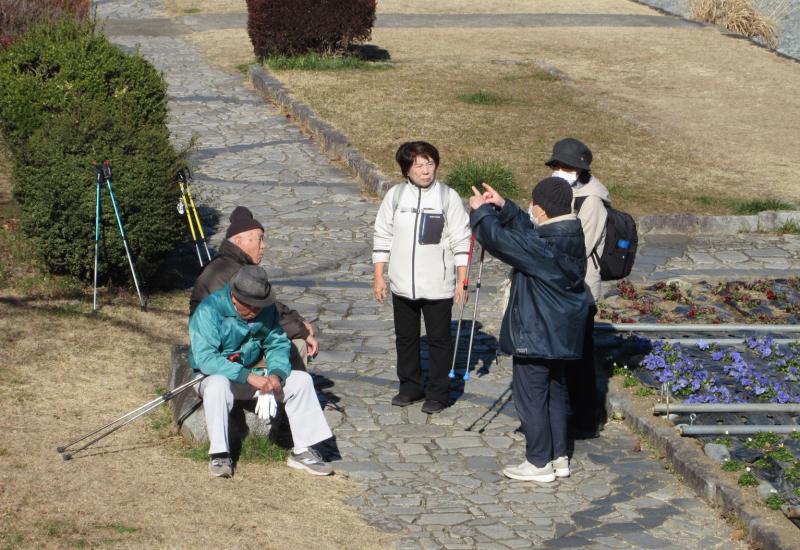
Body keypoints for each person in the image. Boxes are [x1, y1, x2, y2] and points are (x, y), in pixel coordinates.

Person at [469, 178, 589, 482]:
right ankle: (558, 456)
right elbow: (529, 234)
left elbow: (499, 241)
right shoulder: (569, 233)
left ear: (542, 210)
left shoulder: (543, 245)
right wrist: (504, 206)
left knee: (530, 396)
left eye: (532, 205)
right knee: (554, 392)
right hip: (559, 332)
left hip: (536, 331)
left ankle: (538, 462)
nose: (530, 209)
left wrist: (482, 212)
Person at [189, 265, 334, 478]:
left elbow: (278, 343)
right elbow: (206, 359)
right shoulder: (208, 310)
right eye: (250, 305)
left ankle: (302, 451)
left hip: (255, 373)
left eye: (259, 305)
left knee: (302, 381)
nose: (255, 311)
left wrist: (276, 374)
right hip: (214, 375)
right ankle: (220, 454)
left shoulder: (267, 310)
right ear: (235, 297)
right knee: (218, 385)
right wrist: (247, 376)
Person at [372, 141, 471, 414]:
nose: (426, 171)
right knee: (405, 338)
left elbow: (461, 240)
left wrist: (462, 280)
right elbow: (382, 236)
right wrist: (379, 276)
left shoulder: (448, 197)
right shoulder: (395, 196)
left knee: (439, 340)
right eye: (419, 165)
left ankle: (438, 393)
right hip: (402, 284)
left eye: (430, 164)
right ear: (406, 169)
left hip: (438, 285)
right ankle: (410, 386)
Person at [189, 206, 318, 371]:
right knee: (295, 347)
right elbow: (262, 311)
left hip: (242, 340)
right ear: (239, 241)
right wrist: (301, 331)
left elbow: (270, 305)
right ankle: (289, 386)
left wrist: (298, 322)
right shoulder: (225, 272)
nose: (263, 246)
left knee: (287, 344)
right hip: (225, 351)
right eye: (259, 239)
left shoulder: (234, 265)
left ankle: (286, 383)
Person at [546, 138, 611, 437]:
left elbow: (579, 248)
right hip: (555, 286)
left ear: (581, 170)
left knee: (580, 357)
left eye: (567, 166)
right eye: (558, 165)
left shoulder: (592, 201)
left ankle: (586, 420)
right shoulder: (555, 190)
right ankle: (566, 410)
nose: (561, 170)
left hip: (580, 289)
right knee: (563, 356)